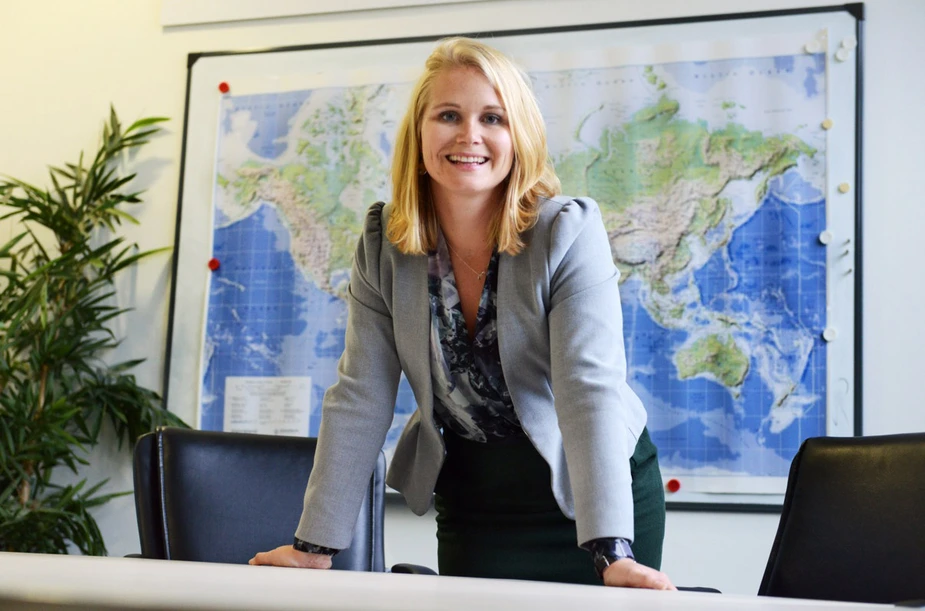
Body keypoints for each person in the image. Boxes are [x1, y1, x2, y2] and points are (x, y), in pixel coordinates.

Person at [250, 36, 675, 590]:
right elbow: (360, 395)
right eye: (448, 115)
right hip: (476, 496)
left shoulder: (567, 232)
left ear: (517, 134)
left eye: (493, 118)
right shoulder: (385, 244)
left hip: (592, 494)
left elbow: (587, 389)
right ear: (419, 133)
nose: (469, 135)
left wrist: (611, 550)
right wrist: (315, 546)